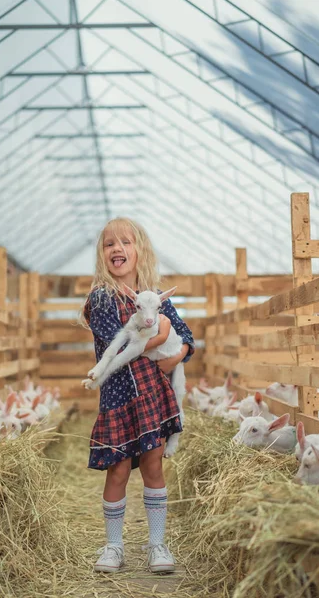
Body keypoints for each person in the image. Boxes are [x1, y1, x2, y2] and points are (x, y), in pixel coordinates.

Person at [82, 218, 195, 574]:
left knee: (153, 464)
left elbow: (188, 339)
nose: (117, 249)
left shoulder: (154, 297)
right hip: (118, 394)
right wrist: (159, 339)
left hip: (152, 393)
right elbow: (118, 344)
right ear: (103, 256)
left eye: (126, 242)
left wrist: (172, 358)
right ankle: (113, 546)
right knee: (117, 470)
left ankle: (157, 544)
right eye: (109, 244)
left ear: (139, 249)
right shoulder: (101, 298)